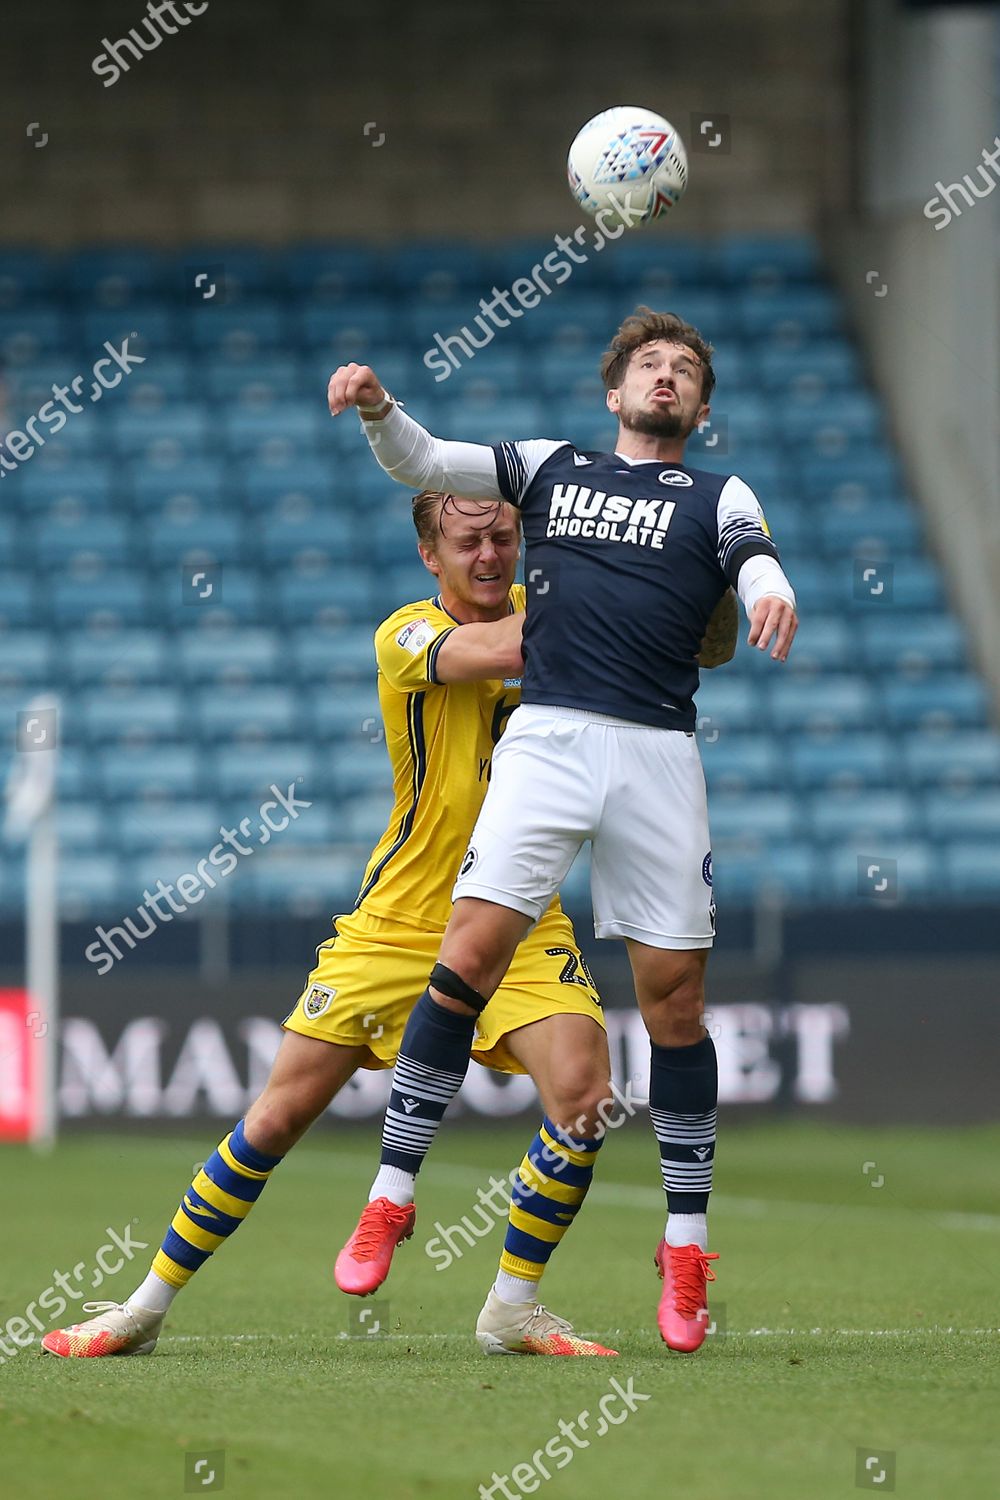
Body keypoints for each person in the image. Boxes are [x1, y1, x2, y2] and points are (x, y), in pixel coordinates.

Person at [41, 490, 622, 1361]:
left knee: (586, 1098)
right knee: (275, 1118)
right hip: (396, 924)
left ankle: (513, 1306)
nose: (492, 554)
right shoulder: (406, 635)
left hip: (521, 919)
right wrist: (625, 624)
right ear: (432, 556)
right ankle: (143, 1308)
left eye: (505, 536)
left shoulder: (552, 611)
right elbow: (500, 652)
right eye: (469, 542)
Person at [327, 306, 798, 1354]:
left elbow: (751, 555)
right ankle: (392, 1194)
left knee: (674, 1003)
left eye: (682, 369)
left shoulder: (717, 493)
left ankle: (683, 1252)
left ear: (701, 405)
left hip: (656, 755)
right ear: (614, 392)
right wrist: (375, 407)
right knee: (470, 953)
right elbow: (424, 457)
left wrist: (770, 590)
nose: (664, 377)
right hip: (547, 739)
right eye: (648, 364)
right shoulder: (550, 467)